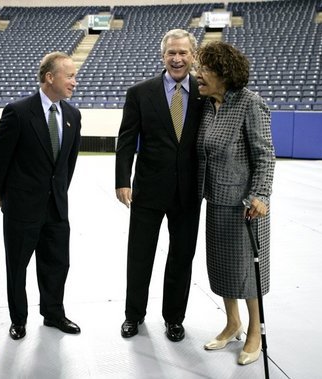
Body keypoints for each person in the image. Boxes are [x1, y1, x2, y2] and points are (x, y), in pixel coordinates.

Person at [115, 29, 205, 341]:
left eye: (183, 53)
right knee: (139, 255)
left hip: (190, 191)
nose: (177, 59)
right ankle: (133, 315)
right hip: (148, 189)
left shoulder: (204, 93)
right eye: (171, 53)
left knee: (182, 258)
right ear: (162, 56)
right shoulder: (140, 92)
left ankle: (174, 319)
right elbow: (126, 140)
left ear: (193, 55)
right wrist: (121, 181)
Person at [0, 51, 82, 340]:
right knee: (17, 266)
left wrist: (60, 192)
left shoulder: (72, 115)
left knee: (57, 263)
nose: (74, 82)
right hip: (22, 207)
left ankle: (53, 314)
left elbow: (69, 162)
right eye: (70, 76)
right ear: (50, 77)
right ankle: (19, 319)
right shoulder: (18, 111)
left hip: (56, 207)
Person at [195, 41, 275, 365]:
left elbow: (265, 154)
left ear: (223, 74)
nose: (197, 75)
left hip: (246, 207)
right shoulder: (207, 105)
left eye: (204, 69)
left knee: (247, 274)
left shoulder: (249, 103)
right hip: (215, 202)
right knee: (223, 269)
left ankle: (254, 330)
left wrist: (261, 195)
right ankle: (233, 323)